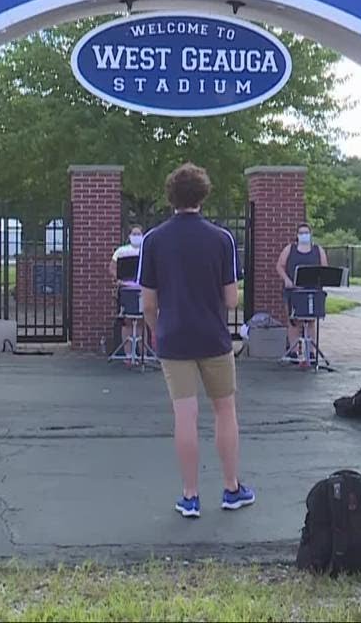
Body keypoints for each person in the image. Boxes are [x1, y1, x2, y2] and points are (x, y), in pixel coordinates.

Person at [139, 163, 254, 518]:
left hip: (174, 338)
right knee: (225, 411)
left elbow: (147, 303)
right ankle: (231, 488)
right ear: (203, 195)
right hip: (214, 337)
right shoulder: (222, 239)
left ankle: (190, 496)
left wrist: (158, 330)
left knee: (185, 416)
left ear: (171, 196)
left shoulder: (153, 240)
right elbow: (232, 299)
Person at [275, 223, 329, 361]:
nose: (304, 235)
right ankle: (293, 351)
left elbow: (325, 268)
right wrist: (286, 279)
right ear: (297, 235)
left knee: (311, 321)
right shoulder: (290, 249)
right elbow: (280, 265)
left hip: (312, 290)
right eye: (301, 232)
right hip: (293, 290)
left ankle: (310, 352)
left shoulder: (318, 250)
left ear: (311, 234)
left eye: (306, 232)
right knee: (293, 321)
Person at [111, 225, 146, 356]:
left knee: (142, 321)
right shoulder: (121, 251)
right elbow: (112, 268)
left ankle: (143, 353)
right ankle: (128, 354)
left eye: (138, 234)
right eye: (134, 234)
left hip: (141, 290)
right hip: (126, 290)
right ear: (129, 236)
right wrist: (118, 279)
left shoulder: (146, 251)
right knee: (127, 321)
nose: (136, 237)